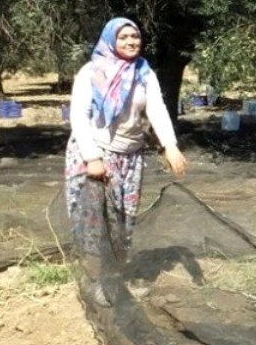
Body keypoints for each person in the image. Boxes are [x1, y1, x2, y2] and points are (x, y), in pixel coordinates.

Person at [65, 17, 187, 305]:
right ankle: (98, 281)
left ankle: (115, 278)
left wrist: (170, 145)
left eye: (135, 36)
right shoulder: (91, 72)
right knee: (98, 221)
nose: (132, 41)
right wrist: (93, 159)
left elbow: (157, 109)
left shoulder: (144, 72)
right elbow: (78, 116)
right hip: (96, 155)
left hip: (130, 158)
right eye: (124, 37)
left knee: (123, 221)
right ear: (110, 40)